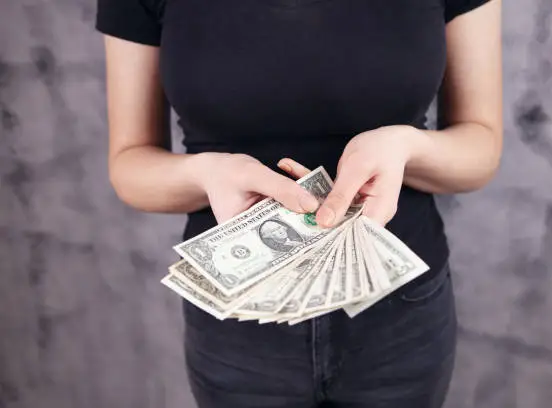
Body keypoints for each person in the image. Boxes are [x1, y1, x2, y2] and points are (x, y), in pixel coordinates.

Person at [95, 0, 502, 406]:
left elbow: (480, 147)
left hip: (401, 313)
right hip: (239, 323)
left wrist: (409, 147)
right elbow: (130, 162)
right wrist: (206, 174)